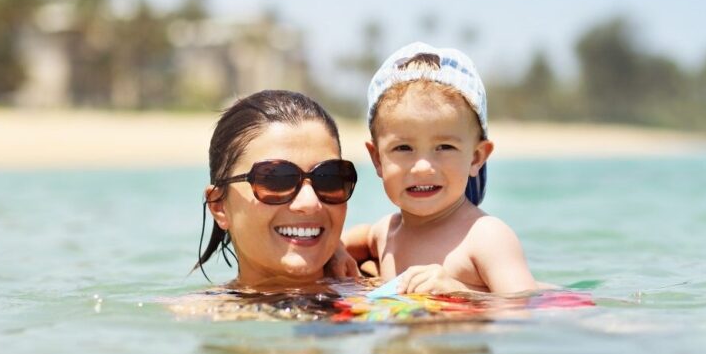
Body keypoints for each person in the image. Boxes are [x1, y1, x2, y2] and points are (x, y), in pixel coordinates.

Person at [339, 42, 538, 294]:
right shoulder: (386, 232)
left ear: (476, 158)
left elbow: (524, 308)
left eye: (444, 147)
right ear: (377, 159)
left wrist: (461, 291)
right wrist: (335, 251)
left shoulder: (486, 238)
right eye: (403, 148)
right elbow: (363, 238)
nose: (422, 167)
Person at [194, 89, 360, 290]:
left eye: (329, 178)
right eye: (276, 179)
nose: (310, 203)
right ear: (219, 205)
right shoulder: (201, 317)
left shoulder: (396, 284)